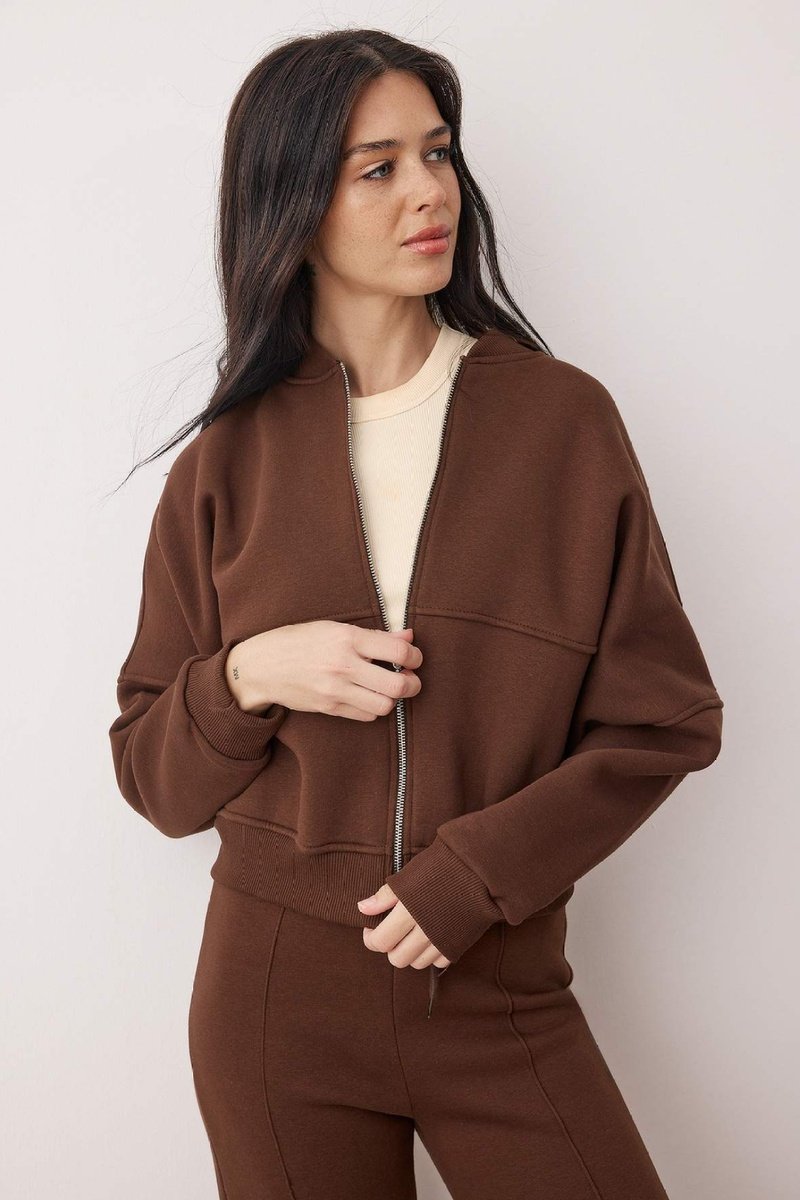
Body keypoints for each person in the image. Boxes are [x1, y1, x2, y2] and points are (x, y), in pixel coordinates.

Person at [108, 27, 724, 1200]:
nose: (428, 192)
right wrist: (247, 674)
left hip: (496, 987)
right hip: (274, 1004)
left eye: (436, 154)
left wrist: (473, 879)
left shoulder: (560, 424)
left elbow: (663, 723)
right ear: (295, 203)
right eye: (377, 167)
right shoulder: (226, 462)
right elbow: (154, 780)